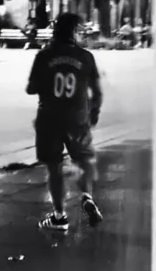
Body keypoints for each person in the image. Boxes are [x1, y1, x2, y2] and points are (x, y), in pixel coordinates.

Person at [26, 12, 103, 231]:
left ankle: (59, 216)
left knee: (54, 167)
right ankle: (87, 196)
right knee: (86, 160)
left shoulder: (44, 56)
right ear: (74, 32)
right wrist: (94, 112)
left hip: (49, 118)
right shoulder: (86, 57)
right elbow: (97, 91)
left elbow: (31, 87)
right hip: (78, 118)